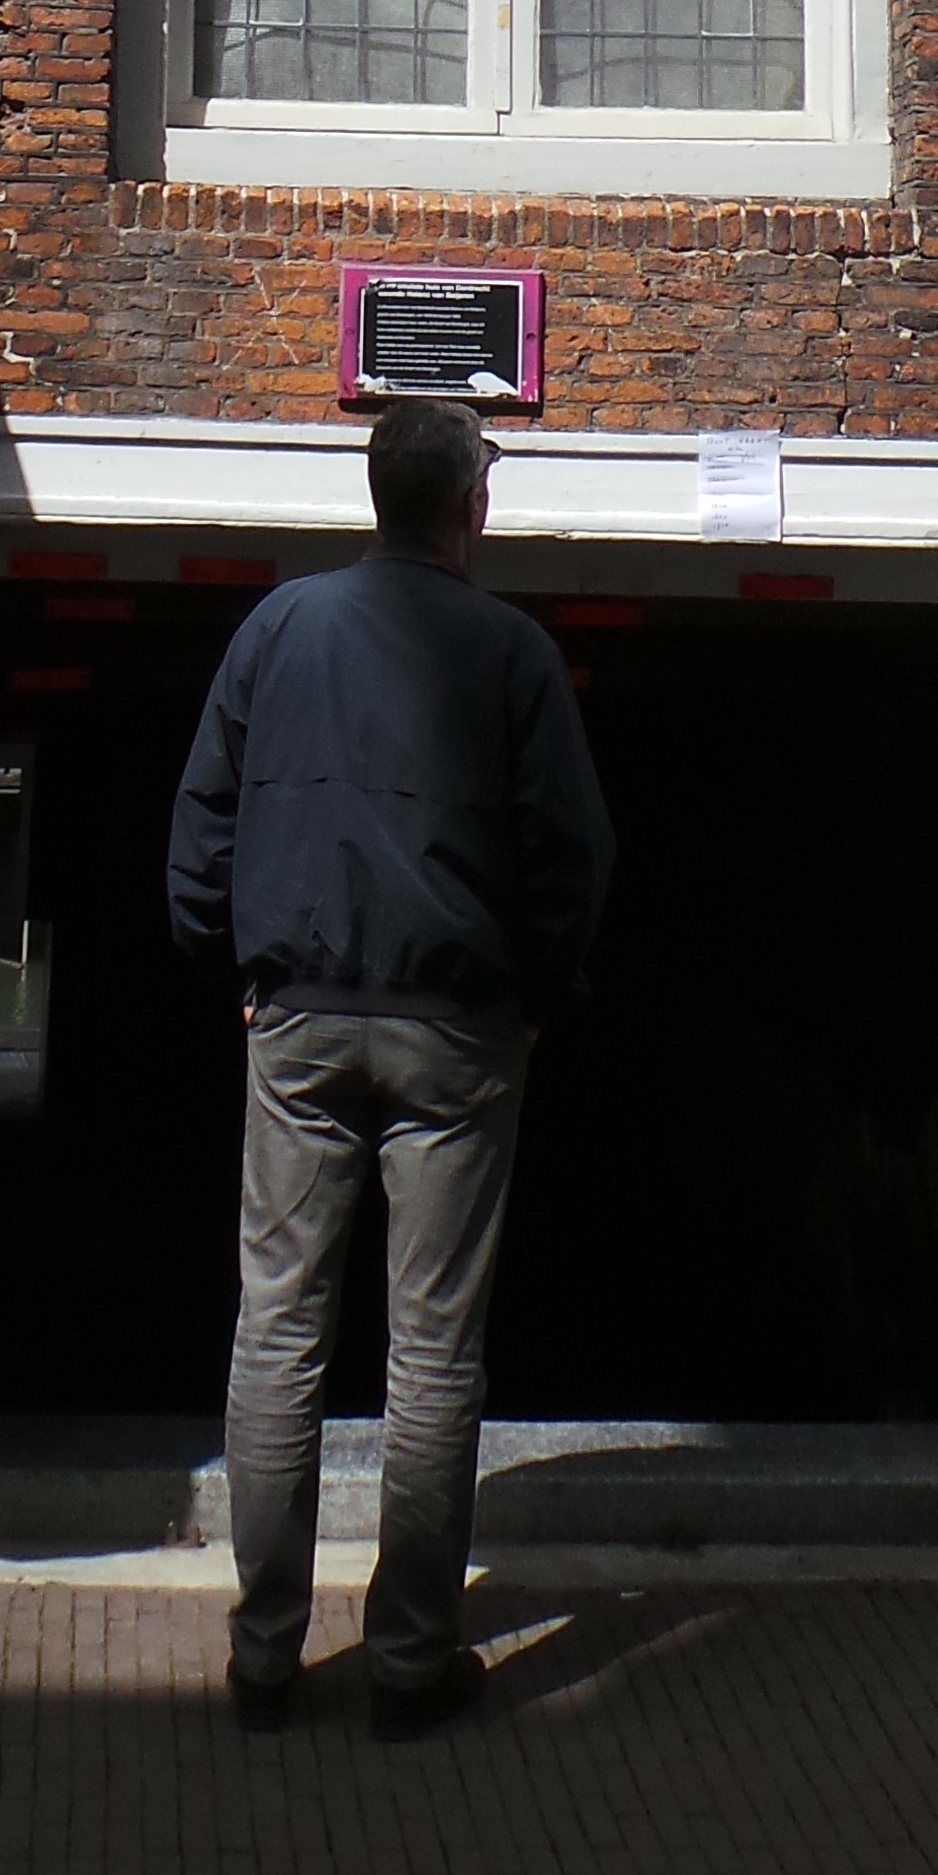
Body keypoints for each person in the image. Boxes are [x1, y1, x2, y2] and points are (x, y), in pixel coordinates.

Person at [166, 395, 615, 1736]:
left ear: (374, 495)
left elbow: (204, 824)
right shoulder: (513, 653)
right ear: (473, 506)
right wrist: (534, 994)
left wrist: (234, 972)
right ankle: (411, 1665)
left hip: (297, 1017)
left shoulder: (275, 630)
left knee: (279, 1328)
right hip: (457, 1032)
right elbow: (574, 851)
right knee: (431, 1351)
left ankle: (264, 1653)